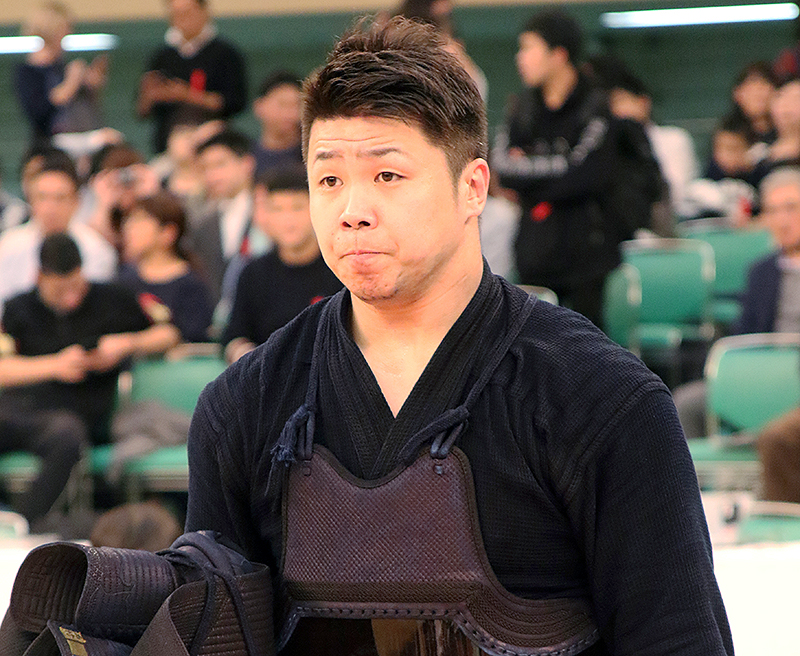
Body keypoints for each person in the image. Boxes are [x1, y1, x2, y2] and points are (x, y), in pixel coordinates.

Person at [185, 17, 733, 656]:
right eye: (328, 178)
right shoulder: (244, 407)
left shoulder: (603, 400)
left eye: (386, 176)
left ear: (472, 187)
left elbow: (675, 639)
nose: (351, 209)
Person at [0, 233, 179, 529]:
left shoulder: (112, 298)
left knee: (67, 433)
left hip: (79, 417)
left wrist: (125, 344)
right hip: (24, 408)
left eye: (76, 286)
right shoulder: (18, 308)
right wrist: (55, 366)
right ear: (39, 278)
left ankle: (25, 523)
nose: (71, 297)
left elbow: (169, 334)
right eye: (60, 290)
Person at [491, 10, 621, 327]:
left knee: (586, 357)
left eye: (529, 48)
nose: (520, 59)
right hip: (535, 252)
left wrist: (531, 173)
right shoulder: (521, 109)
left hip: (587, 257)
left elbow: (586, 173)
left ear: (559, 54)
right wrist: (557, 168)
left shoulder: (595, 106)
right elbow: (503, 167)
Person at [674, 166, 800, 439]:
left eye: (791, 208)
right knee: (686, 403)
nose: (782, 220)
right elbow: (743, 334)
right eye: (773, 211)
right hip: (760, 375)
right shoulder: (761, 272)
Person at [221, 166, 342, 363]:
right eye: (277, 209)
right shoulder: (253, 274)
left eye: (297, 207)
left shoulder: (341, 269)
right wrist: (247, 358)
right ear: (266, 215)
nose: (288, 220)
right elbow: (234, 336)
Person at [0, 157, 117, 316]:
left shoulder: (97, 249)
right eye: (42, 197)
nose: (50, 208)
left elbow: (97, 310)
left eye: (60, 198)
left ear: (76, 202)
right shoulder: (8, 246)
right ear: (30, 201)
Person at [136, 0, 247, 154]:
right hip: (168, 148)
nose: (182, 19)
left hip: (212, 145)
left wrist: (187, 95)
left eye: (187, 12)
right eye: (176, 14)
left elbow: (235, 102)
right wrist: (151, 94)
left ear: (204, 12)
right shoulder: (162, 57)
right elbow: (142, 111)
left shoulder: (225, 54)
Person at [190, 129, 271, 314]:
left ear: (246, 163)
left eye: (220, 164)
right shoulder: (203, 225)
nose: (212, 175)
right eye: (205, 168)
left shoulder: (271, 211)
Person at [119, 191, 214, 343]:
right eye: (128, 220)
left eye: (139, 220)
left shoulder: (191, 285)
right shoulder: (123, 279)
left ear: (168, 232)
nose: (129, 227)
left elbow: (196, 337)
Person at [14, 2, 107, 149]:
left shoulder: (61, 67)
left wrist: (90, 86)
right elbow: (39, 113)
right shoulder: (28, 72)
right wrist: (70, 84)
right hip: (50, 145)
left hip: (79, 137)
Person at [251, 70, 304, 176]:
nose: (290, 113)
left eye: (297, 105)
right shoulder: (247, 159)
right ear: (259, 106)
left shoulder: (309, 156)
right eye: (283, 104)